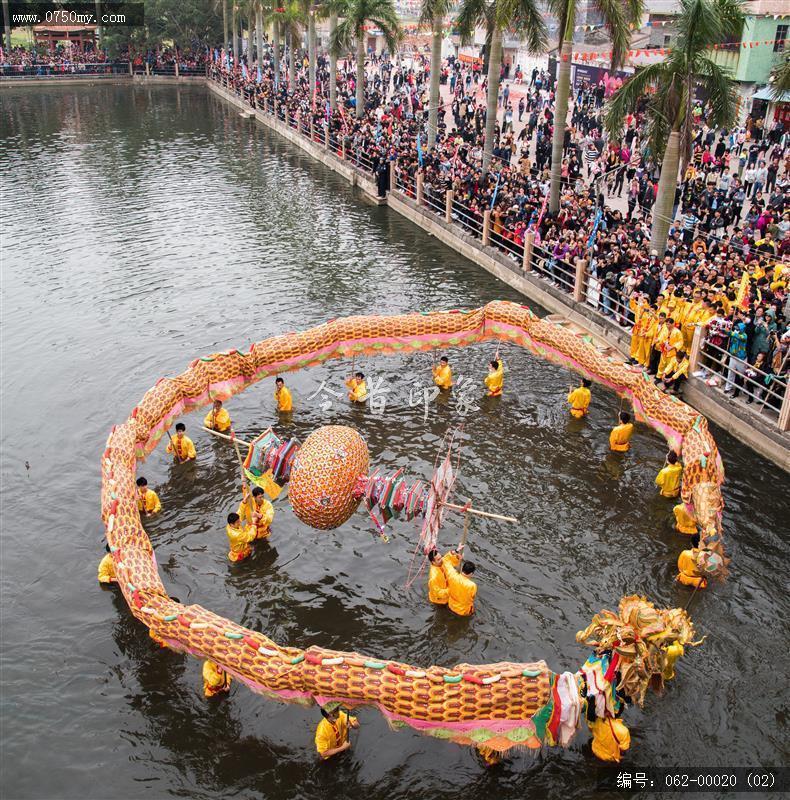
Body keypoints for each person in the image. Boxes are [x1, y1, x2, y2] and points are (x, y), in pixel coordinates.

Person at [442, 547, 477, 616]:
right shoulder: (472, 585)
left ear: (462, 569)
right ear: (471, 574)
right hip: (463, 611)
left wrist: (456, 552)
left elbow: (445, 560)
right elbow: (472, 598)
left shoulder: (452, 575)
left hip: (451, 606)